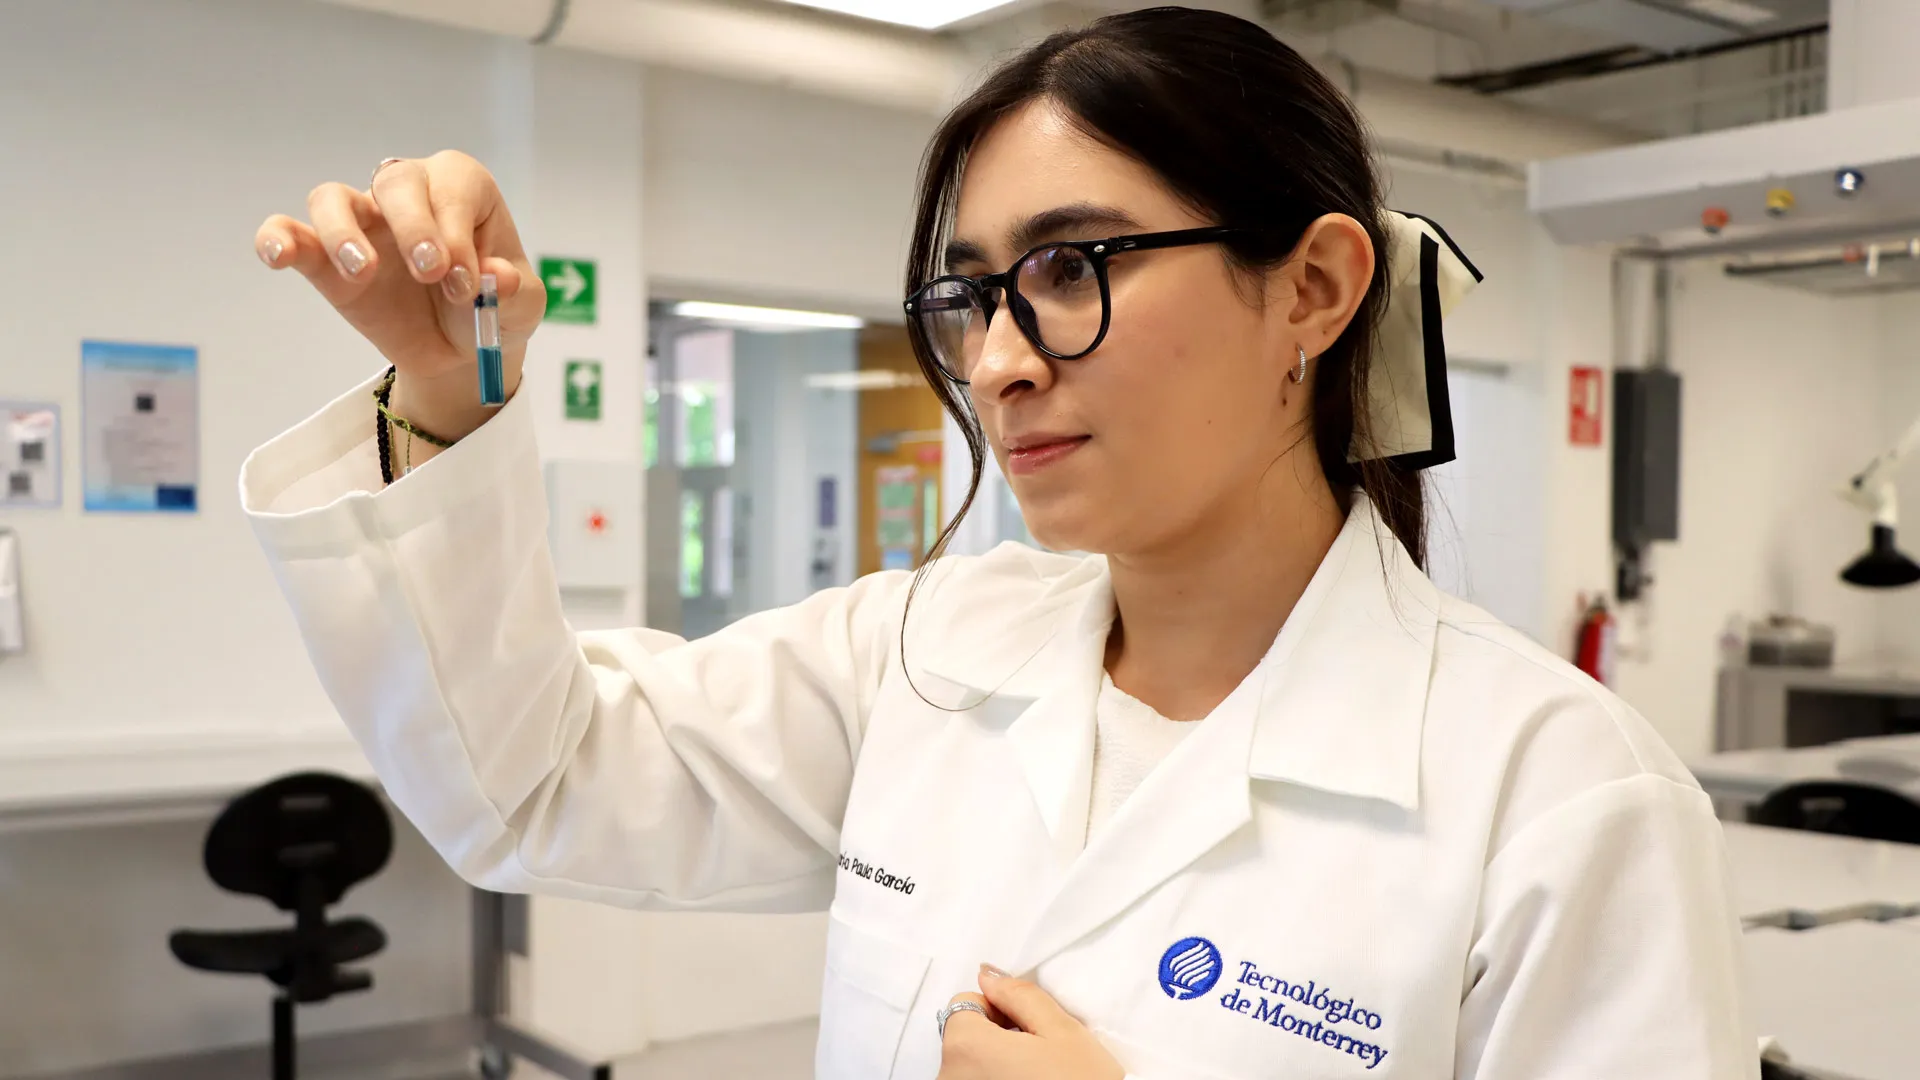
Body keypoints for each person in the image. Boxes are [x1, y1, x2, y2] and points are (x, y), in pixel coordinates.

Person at [242, 8, 1751, 1079]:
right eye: (971, 296)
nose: (1001, 361)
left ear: (1313, 290)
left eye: (1071, 269)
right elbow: (531, 781)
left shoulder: (1557, 801)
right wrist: (451, 391)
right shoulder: (924, 657)